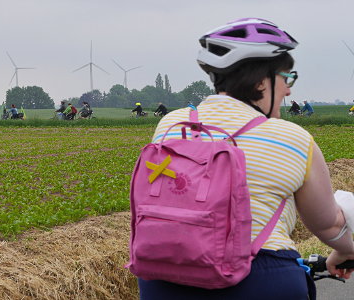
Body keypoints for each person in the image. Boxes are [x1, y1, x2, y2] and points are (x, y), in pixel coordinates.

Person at [138, 18, 354, 299]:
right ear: (261, 80)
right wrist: (346, 251)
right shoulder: (294, 138)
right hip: (260, 278)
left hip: (165, 279)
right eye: (286, 78)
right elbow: (328, 224)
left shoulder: (171, 124)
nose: (289, 90)